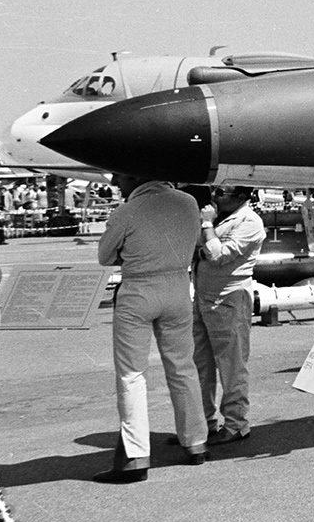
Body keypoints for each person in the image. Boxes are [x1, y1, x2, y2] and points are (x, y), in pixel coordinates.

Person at [95, 175, 205, 482]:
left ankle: (135, 457)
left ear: (135, 174)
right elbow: (195, 242)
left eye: (118, 174)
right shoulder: (188, 202)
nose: (116, 181)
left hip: (139, 289)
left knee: (132, 374)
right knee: (183, 367)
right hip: (179, 286)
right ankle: (196, 442)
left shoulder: (128, 210)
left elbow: (104, 256)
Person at [193, 184, 264, 446]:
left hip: (229, 300)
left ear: (242, 198)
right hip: (203, 298)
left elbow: (216, 255)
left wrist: (207, 225)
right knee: (200, 365)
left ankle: (236, 424)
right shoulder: (219, 218)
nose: (214, 196)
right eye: (215, 190)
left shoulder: (250, 222)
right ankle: (203, 422)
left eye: (222, 193)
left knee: (231, 365)